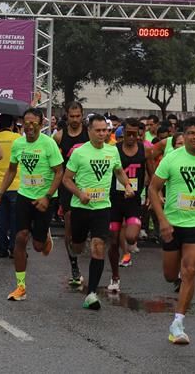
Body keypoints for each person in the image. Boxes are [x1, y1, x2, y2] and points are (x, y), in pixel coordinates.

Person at [148, 115, 195, 345]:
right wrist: (162, 221)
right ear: (183, 135)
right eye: (191, 133)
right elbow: (153, 189)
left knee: (190, 269)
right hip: (172, 223)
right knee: (171, 275)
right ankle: (178, 279)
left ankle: (178, 323)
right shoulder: (172, 158)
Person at [62, 114, 135, 310]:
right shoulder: (79, 153)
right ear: (89, 131)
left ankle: (91, 293)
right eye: (98, 130)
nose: (103, 133)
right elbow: (66, 179)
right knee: (77, 247)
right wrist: (79, 193)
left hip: (102, 208)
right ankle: (73, 251)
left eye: (105, 130)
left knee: (98, 247)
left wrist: (127, 185)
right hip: (80, 208)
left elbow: (119, 171)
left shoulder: (112, 151)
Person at [0, 107, 64, 301]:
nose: (29, 126)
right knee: (21, 237)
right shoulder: (18, 144)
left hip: (45, 198)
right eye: (26, 122)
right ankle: (20, 287)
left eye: (33, 123)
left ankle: (44, 235)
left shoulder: (48, 144)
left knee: (39, 247)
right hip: (24, 195)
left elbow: (59, 172)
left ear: (41, 124)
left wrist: (47, 197)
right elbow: (11, 170)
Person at [108, 117, 147, 292]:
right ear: (123, 133)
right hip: (114, 200)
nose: (131, 136)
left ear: (139, 133)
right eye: (128, 133)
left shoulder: (144, 151)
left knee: (131, 237)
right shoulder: (114, 150)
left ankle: (129, 249)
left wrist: (154, 194)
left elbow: (152, 174)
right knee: (113, 240)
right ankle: (115, 277)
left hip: (133, 200)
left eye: (134, 133)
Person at [54, 101, 89, 286]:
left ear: (82, 115)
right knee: (69, 221)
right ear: (66, 115)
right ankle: (74, 265)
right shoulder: (59, 137)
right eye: (72, 116)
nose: (75, 120)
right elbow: (55, 165)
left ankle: (84, 242)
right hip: (68, 185)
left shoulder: (90, 134)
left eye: (78, 116)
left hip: (90, 185)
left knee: (86, 224)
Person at [0, 113, 20, 258]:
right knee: (16, 221)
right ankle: (15, 249)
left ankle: (2, 249)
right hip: (16, 184)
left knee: (0, 220)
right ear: (12, 124)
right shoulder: (18, 139)